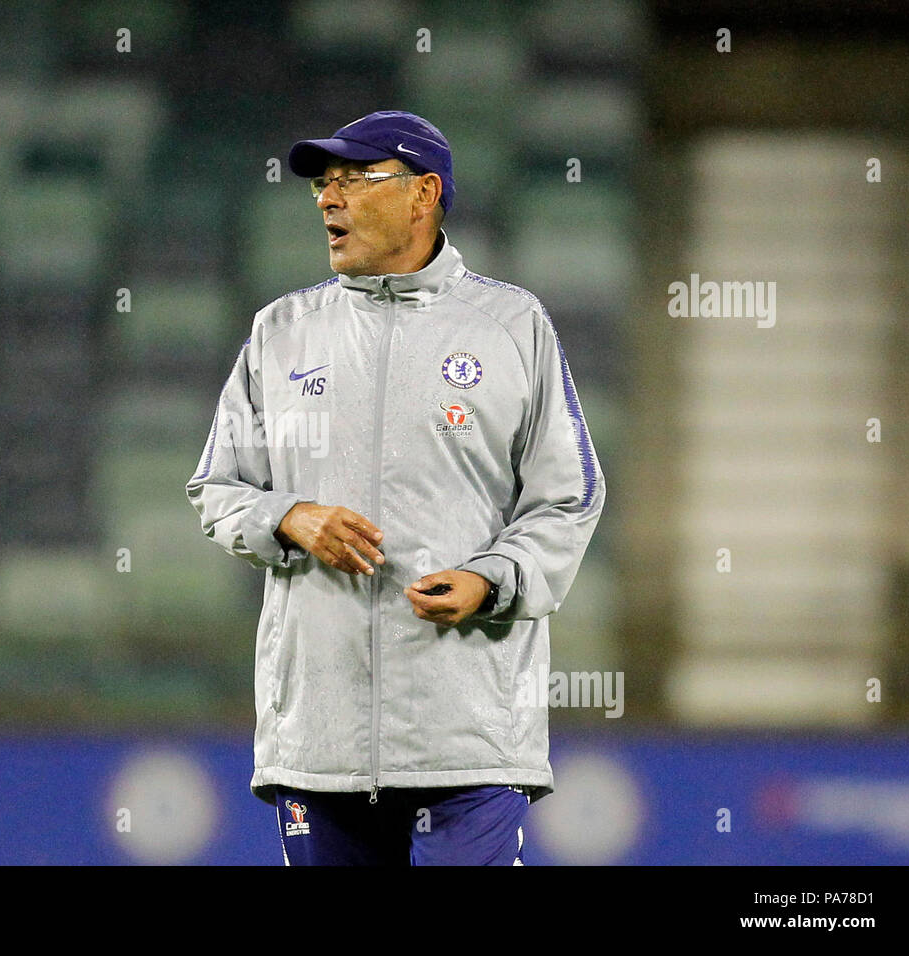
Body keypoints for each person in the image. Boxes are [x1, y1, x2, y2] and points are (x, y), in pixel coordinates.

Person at [186, 110, 605, 865]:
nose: (326, 199)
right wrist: (289, 517)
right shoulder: (280, 332)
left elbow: (568, 497)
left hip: (468, 736)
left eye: (352, 179)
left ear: (423, 194)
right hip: (321, 740)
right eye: (322, 183)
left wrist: (491, 577)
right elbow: (217, 487)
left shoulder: (511, 326)